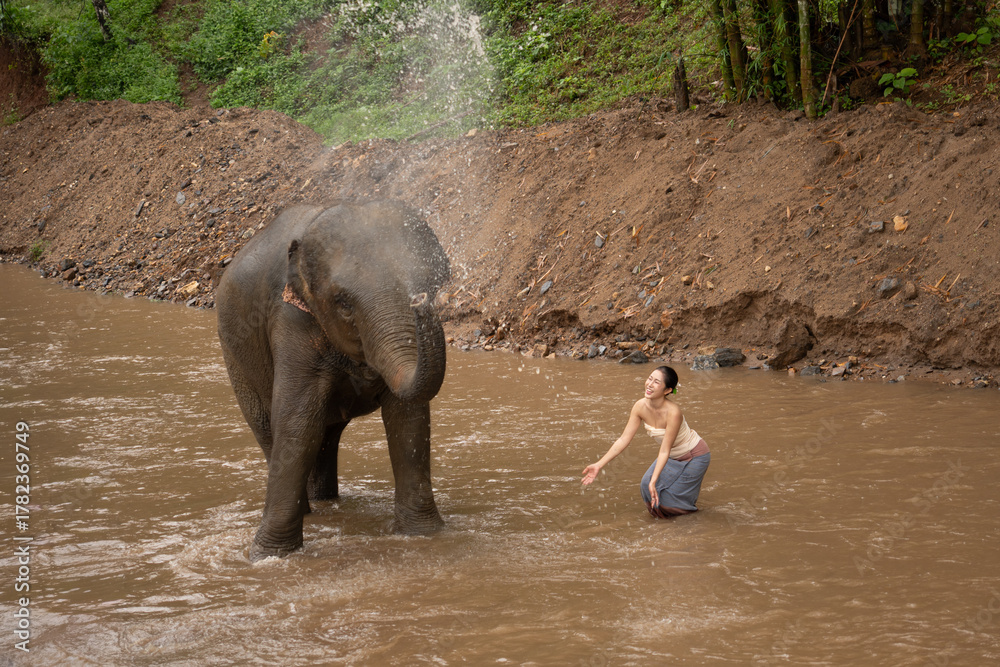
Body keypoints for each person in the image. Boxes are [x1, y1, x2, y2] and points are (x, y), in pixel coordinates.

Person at [581, 366, 710, 518]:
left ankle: (693, 519)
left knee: (669, 502)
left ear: (667, 390)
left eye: (656, 382)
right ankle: (661, 523)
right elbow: (623, 439)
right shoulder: (639, 406)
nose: (649, 384)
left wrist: (654, 480)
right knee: (646, 487)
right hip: (671, 455)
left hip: (694, 456)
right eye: (649, 379)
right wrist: (599, 464)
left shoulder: (673, 412)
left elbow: (664, 450)